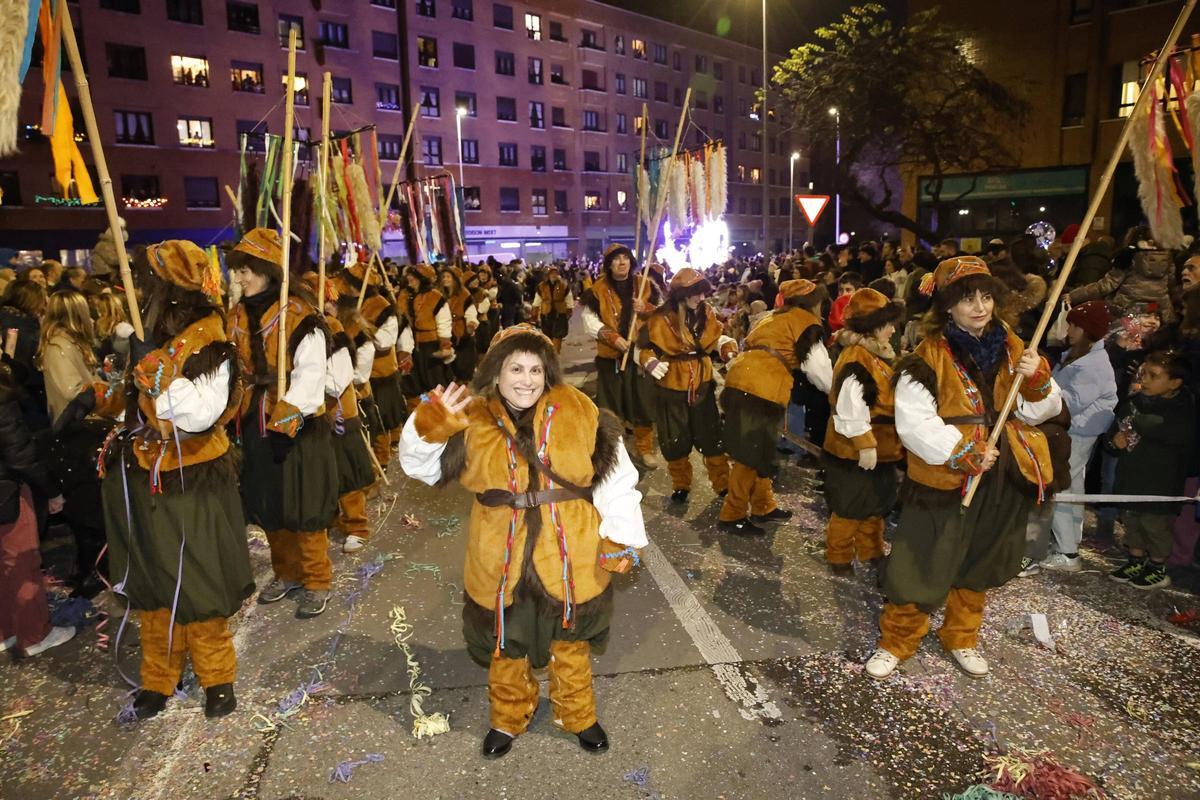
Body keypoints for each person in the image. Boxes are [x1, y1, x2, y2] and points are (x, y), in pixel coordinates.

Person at [398, 324, 646, 759]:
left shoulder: (579, 408)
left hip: (570, 548)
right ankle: (509, 716)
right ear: (496, 371)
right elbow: (421, 469)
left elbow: (617, 480)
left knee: (570, 643)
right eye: (516, 368)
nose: (527, 379)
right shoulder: (471, 415)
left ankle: (579, 715)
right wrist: (428, 429)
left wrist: (621, 537)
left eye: (536, 369)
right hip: (498, 550)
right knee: (505, 645)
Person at [865, 256, 1062, 680]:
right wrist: (960, 453)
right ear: (948, 306)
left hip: (1004, 466)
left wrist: (1037, 378)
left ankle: (961, 636)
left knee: (980, 557)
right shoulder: (927, 356)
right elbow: (913, 421)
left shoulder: (1014, 347)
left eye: (986, 297)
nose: (980, 307)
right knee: (922, 557)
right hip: (945, 473)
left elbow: (1037, 410)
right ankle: (896, 641)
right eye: (967, 298)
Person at [96, 240, 253, 719]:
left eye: (146, 283)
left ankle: (216, 677)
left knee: (198, 582)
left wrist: (156, 371)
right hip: (145, 477)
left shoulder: (210, 342)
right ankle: (158, 679)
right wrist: (113, 376)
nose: (138, 291)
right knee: (153, 584)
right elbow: (119, 403)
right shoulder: (151, 334)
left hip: (191, 479)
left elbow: (201, 415)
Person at [227, 228, 337, 619]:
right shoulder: (236, 315)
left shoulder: (299, 315)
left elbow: (310, 377)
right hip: (253, 417)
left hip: (299, 424)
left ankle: (317, 579)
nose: (239, 279)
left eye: (246, 271)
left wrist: (283, 422)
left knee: (304, 504)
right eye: (236, 272)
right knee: (270, 503)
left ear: (268, 271)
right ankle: (286, 572)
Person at [719, 279, 832, 535]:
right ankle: (732, 514)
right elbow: (819, 371)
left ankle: (763, 505)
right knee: (750, 455)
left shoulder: (775, 317)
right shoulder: (806, 322)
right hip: (760, 387)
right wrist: (836, 392)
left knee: (762, 451)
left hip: (743, 379)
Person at [1020, 300, 1116, 575]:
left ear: (1086, 330)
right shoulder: (1077, 356)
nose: (1069, 328)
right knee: (1070, 486)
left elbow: (1068, 403)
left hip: (1078, 432)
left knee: (1062, 486)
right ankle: (1066, 545)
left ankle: (1067, 551)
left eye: (1073, 324)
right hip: (1073, 431)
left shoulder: (1092, 365)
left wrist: (1042, 386)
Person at [637, 269, 737, 503]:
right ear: (681, 295)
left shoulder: (708, 313)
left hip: (701, 386)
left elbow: (714, 339)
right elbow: (644, 348)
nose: (700, 298)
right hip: (670, 387)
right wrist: (649, 362)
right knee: (674, 440)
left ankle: (723, 484)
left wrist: (726, 346)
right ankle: (681, 484)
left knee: (712, 438)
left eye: (702, 293)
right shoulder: (660, 318)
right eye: (695, 294)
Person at [822, 288, 903, 576]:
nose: (893, 329)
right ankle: (839, 554)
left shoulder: (877, 356)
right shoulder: (857, 358)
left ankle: (871, 549)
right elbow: (850, 406)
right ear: (873, 325)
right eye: (888, 324)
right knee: (850, 505)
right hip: (856, 450)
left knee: (876, 504)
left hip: (881, 449)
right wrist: (864, 444)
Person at [37, 289, 114, 596]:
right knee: (86, 510)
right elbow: (73, 394)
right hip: (74, 437)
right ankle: (91, 572)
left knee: (90, 507)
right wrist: (101, 391)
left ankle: (94, 569)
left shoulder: (70, 343)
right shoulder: (58, 346)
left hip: (82, 433)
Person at [0, 357, 73, 658]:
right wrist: (52, 490)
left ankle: (6, 631)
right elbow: (20, 455)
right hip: (5, 490)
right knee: (20, 563)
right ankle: (34, 634)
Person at [1105, 350, 1195, 590]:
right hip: (1131, 478)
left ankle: (1157, 566)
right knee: (1131, 522)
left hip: (1161, 485)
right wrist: (1115, 442)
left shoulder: (1182, 411)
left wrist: (1138, 421)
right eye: (1143, 374)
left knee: (1155, 528)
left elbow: (1172, 432)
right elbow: (1112, 436)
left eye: (1153, 376)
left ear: (1175, 382)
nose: (1144, 380)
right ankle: (1135, 560)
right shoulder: (1132, 404)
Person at [580, 244, 663, 467]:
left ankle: (644, 448)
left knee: (642, 404)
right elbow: (589, 321)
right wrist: (612, 337)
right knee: (611, 406)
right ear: (609, 264)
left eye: (626, 258)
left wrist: (645, 307)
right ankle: (615, 452)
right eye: (617, 259)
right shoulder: (597, 290)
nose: (622, 262)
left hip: (639, 355)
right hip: (611, 358)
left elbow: (663, 314)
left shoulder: (644, 284)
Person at [531, 266, 573, 353]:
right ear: (548, 275)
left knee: (558, 336)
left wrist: (569, 309)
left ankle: (555, 355)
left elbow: (569, 298)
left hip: (560, 313)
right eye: (552, 273)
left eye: (555, 273)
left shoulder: (563, 285)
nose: (554, 275)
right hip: (546, 313)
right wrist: (534, 313)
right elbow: (537, 300)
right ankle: (550, 355)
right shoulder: (541, 286)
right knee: (547, 336)